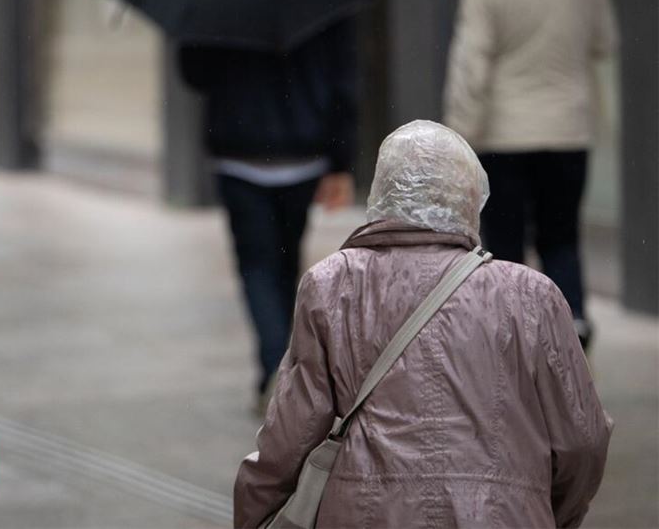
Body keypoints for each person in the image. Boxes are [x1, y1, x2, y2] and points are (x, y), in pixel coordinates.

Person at [234, 121, 611, 528]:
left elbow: (291, 435)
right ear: (470, 201)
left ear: (380, 196)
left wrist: (255, 513)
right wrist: (547, 511)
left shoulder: (333, 286)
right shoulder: (531, 295)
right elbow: (582, 440)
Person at [444, 0, 618, 351]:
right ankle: (572, 320)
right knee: (561, 234)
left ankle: (512, 331)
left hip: (505, 135)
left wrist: (459, 135)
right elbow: (606, 40)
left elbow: (472, 67)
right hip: (568, 130)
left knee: (505, 240)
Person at [179, 17, 358, 412]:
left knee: (257, 264)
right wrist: (341, 159)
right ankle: (284, 368)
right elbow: (343, 80)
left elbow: (194, 73)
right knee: (284, 260)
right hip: (302, 150)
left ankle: (276, 366)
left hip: (239, 150)